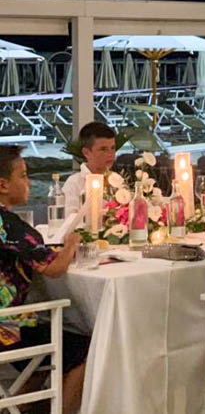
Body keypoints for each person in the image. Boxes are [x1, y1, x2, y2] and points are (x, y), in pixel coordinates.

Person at [0, 146, 88, 414]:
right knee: (83, 347)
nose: (28, 183)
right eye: (23, 176)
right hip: (5, 329)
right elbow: (54, 268)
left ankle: (17, 407)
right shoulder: (11, 226)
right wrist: (71, 244)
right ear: (3, 185)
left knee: (42, 353)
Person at [62, 122, 116, 216]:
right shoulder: (74, 184)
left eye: (113, 148)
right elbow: (70, 218)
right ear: (86, 153)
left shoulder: (118, 181)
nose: (110, 154)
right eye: (103, 149)